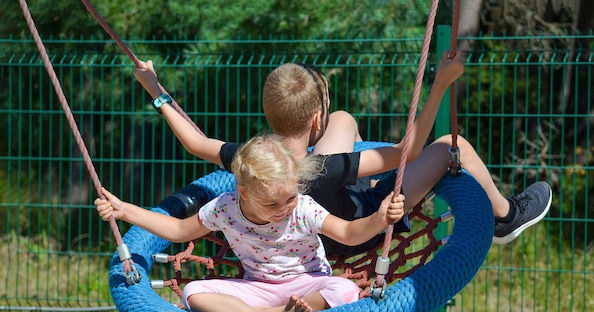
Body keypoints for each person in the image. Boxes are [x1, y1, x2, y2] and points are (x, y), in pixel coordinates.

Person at [133, 53, 552, 255]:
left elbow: (194, 142)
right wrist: (440, 84)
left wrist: (155, 90)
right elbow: (411, 149)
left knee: (346, 119)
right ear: (316, 119)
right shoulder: (326, 169)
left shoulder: (252, 157)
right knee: (451, 147)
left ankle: (359, 172)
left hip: (319, 211)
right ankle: (506, 218)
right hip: (352, 232)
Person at [95, 134, 405, 312]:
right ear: (243, 192)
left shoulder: (303, 208)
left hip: (306, 283)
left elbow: (349, 234)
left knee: (344, 288)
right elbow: (178, 231)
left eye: (290, 198)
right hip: (256, 289)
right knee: (194, 292)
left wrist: (379, 219)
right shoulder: (225, 209)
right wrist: (125, 211)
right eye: (272, 204)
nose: (284, 209)